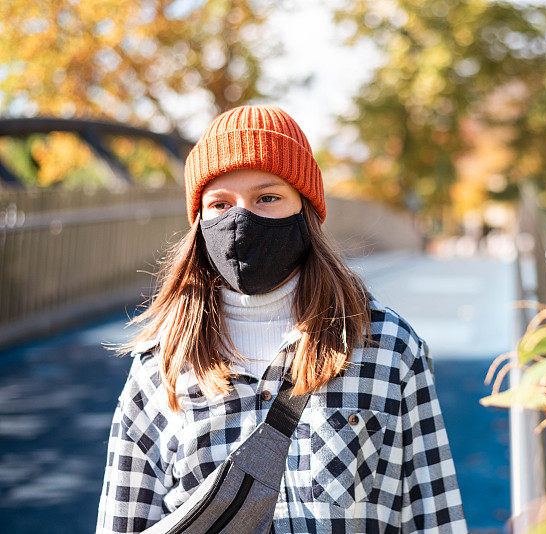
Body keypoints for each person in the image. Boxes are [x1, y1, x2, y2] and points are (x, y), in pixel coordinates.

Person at [95, 104, 467, 533]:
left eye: (267, 197)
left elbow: (434, 517)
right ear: (198, 221)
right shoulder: (160, 365)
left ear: (305, 209)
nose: (240, 219)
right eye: (219, 204)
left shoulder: (386, 347)